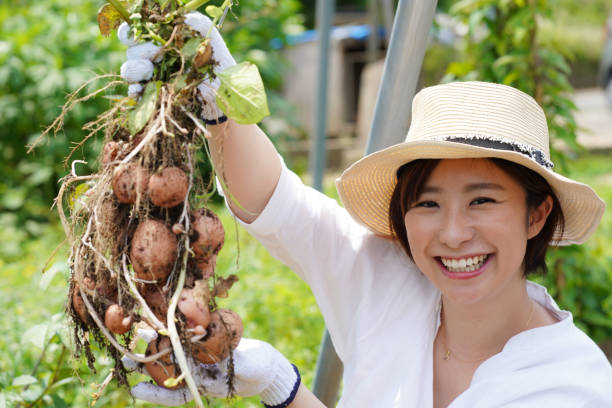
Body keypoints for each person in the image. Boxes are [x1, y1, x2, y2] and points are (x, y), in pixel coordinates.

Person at [119, 12, 612, 408]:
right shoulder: (391, 282)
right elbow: (278, 205)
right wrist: (216, 102)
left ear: (536, 214)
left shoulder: (569, 385)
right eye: (428, 203)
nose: (455, 233)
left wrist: (281, 387)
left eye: (482, 200)